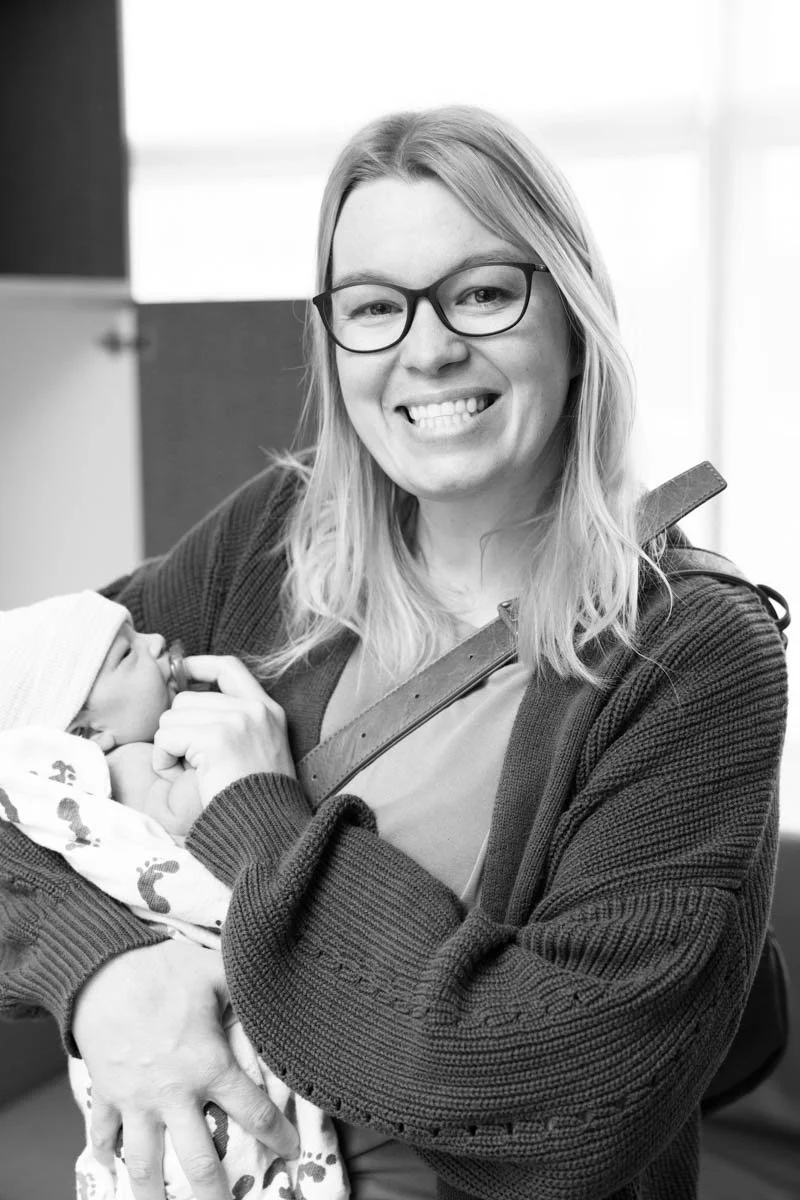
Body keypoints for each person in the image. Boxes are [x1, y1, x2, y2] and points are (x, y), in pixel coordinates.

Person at [0, 105, 788, 1200]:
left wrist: (254, 817)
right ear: (333, 341)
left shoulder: (694, 653)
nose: (426, 349)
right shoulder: (275, 540)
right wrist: (102, 970)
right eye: (373, 307)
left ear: (570, 316)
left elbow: (571, 1112)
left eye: (480, 292)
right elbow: (18, 732)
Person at [0, 590, 348, 1200]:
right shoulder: (132, 766)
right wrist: (244, 759)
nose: (159, 642)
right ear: (87, 730)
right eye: (127, 654)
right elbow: (212, 805)